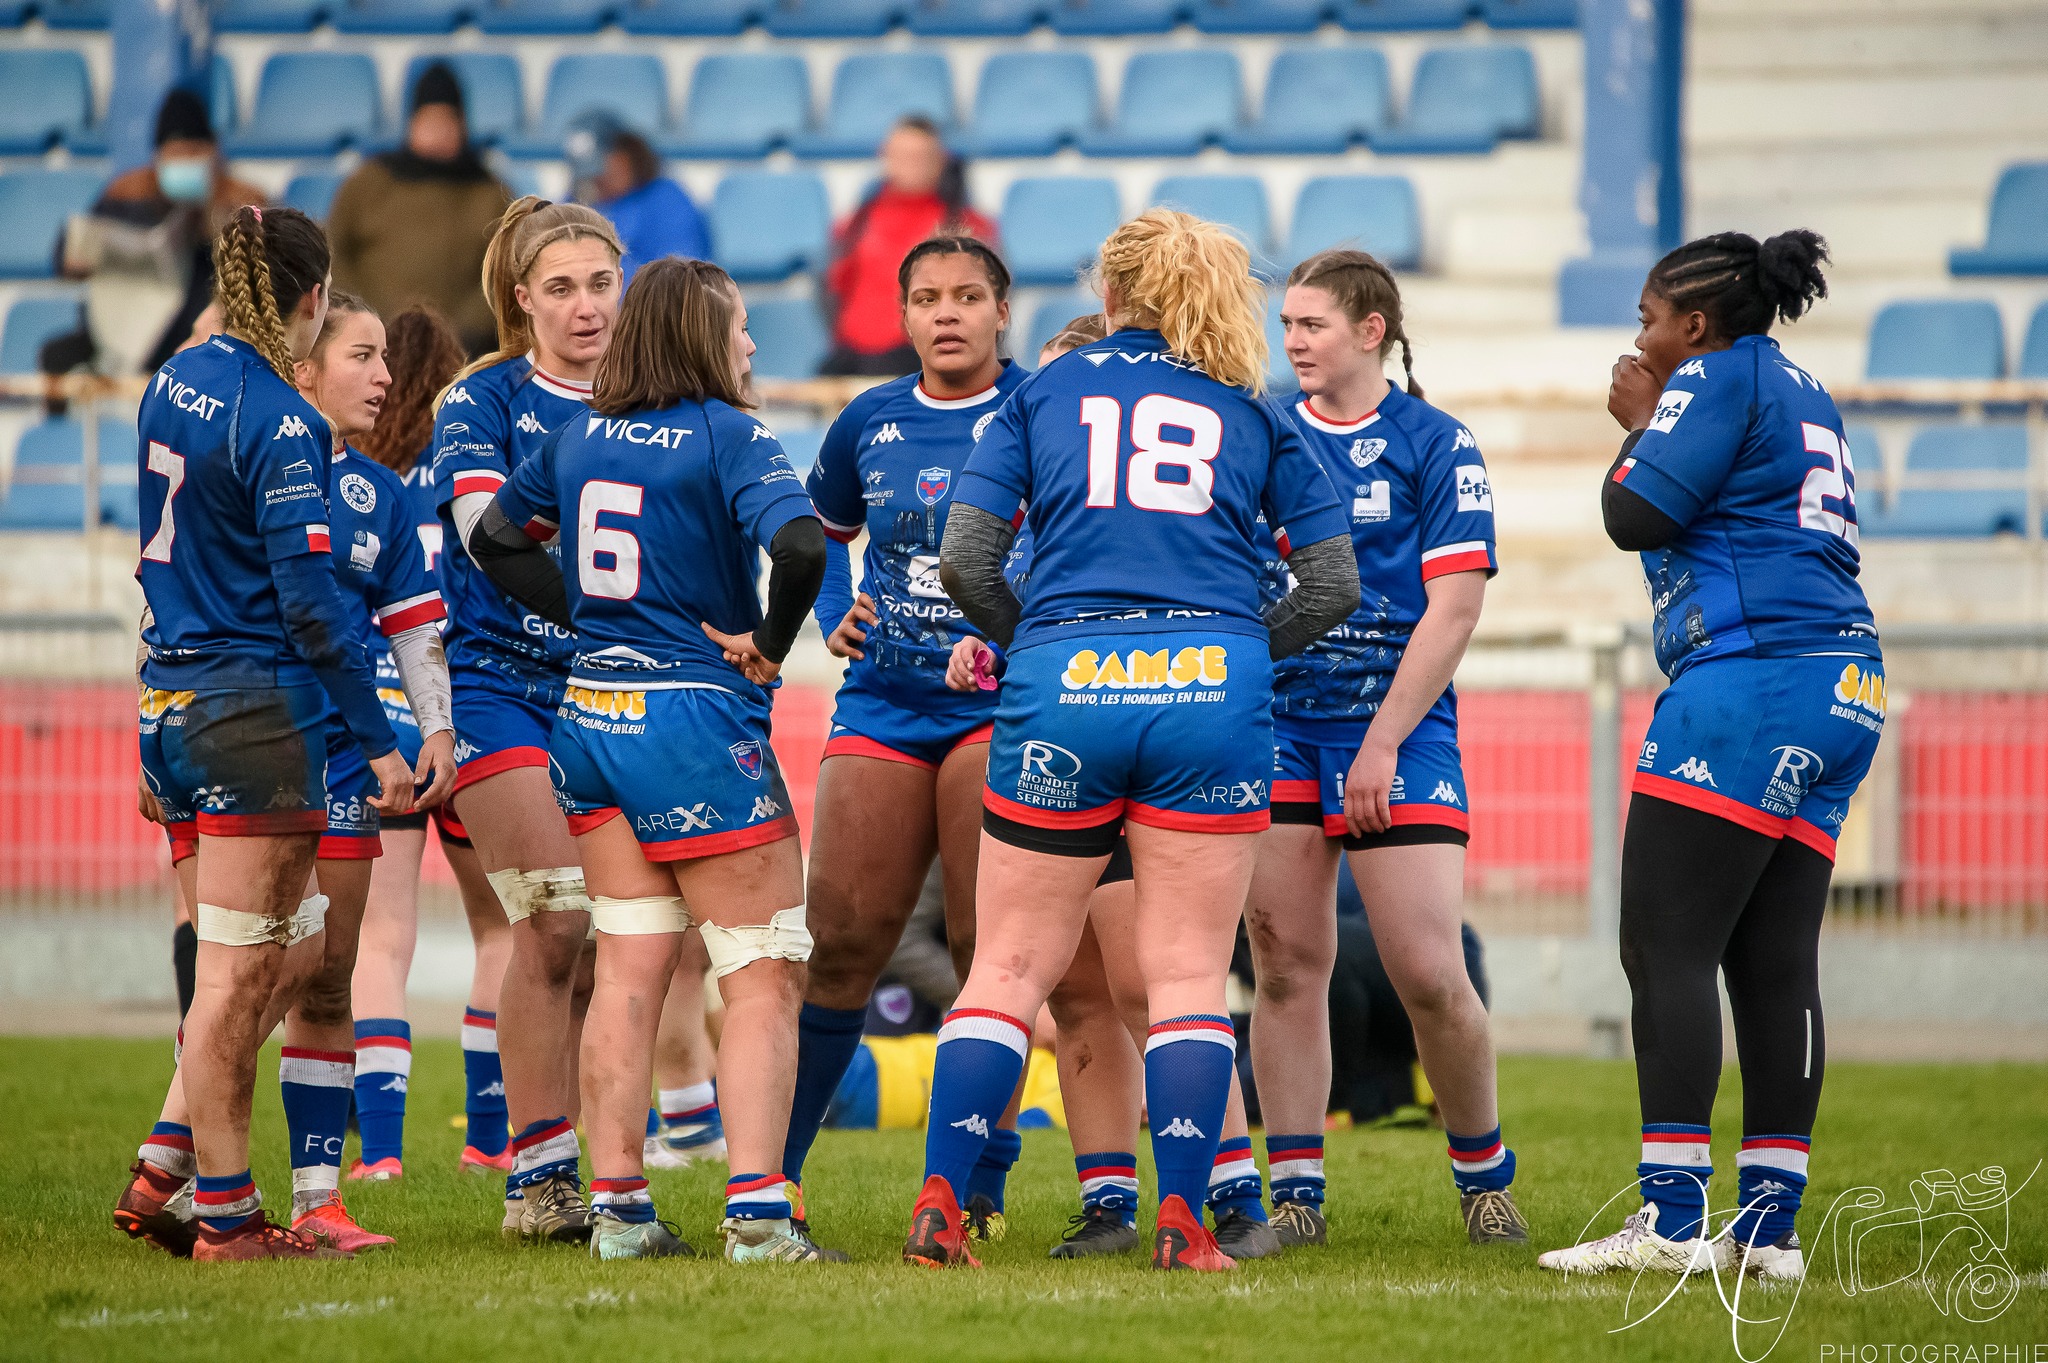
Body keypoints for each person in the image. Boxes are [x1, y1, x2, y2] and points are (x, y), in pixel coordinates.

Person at [903, 209, 1360, 1271]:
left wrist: (1041, 647)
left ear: (1109, 292)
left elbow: (966, 560)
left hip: (1064, 678)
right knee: (1190, 973)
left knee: (1007, 964)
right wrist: (1241, 645)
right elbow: (1332, 582)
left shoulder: (1041, 390)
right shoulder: (1248, 404)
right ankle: (1185, 1222)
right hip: (1209, 685)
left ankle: (939, 1205)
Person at [468, 257, 829, 1262]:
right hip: (689, 721)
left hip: (590, 718)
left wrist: (584, 618)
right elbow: (802, 547)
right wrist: (767, 638)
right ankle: (758, 1216)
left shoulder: (576, 434)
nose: (751, 345)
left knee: (627, 969)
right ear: (702, 336)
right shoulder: (727, 431)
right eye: (740, 327)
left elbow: (496, 539)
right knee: (759, 974)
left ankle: (621, 1211)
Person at [1539, 231, 1880, 1283]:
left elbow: (1632, 511)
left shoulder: (1713, 373)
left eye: (1648, 317)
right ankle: (1769, 1229)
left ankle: (1669, 1218)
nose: (1639, 337)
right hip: (1845, 681)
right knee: (1775, 966)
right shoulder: (1797, 382)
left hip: (1749, 680)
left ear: (1692, 322)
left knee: (1665, 947)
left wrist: (1639, 426)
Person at [945, 312, 1278, 1264]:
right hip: (1169, 715)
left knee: (1139, 979)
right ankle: (1112, 1200)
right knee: (1097, 988)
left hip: (1084, 726)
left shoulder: (1104, 488)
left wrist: (1030, 651)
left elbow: (978, 569)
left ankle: (1232, 1189)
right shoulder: (1127, 481)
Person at [118, 205, 412, 1262]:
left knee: (278, 952)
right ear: (313, 297)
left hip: (172, 697)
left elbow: (157, 562)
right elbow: (312, 606)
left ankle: (165, 1168)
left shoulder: (172, 381)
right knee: (253, 969)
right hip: (253, 710)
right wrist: (380, 740)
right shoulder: (280, 420)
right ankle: (228, 1216)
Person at [1243, 249, 1524, 1250]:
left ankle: (1482, 1176)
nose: (1292, 343)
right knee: (1283, 964)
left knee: (1426, 972)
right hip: (1275, 725)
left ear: (1371, 330)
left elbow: (1451, 611)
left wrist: (1379, 744)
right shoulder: (1262, 432)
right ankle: (1295, 1196)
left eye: (1309, 324)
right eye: (1284, 327)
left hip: (1396, 730)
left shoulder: (1434, 442)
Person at [781, 234, 1027, 1254]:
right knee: (836, 943)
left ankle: (970, 1184)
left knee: (985, 954)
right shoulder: (869, 418)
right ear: (901, 311)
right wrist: (832, 611)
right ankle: (772, 1183)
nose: (947, 313)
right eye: (926, 296)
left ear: (1000, 310)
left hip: (994, 712)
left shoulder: (1036, 412)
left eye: (968, 295)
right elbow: (818, 522)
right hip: (882, 704)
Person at [430, 197, 622, 1245]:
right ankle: (536, 1179)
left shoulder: (656, 398)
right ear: (521, 299)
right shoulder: (483, 401)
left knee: (611, 946)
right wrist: (625, 610)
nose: (584, 305)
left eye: (599, 283)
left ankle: (603, 1172)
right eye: (560, 287)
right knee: (548, 923)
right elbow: (482, 534)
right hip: (501, 686)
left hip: (618, 694)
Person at [342, 303, 520, 1179]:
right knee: (502, 933)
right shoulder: (469, 469)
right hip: (469, 715)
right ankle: (492, 1139)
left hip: (379, 718)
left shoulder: (356, 482)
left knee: (382, 939)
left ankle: (381, 1153)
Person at [43, 87, 265, 387]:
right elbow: (67, 258)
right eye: (176, 154)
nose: (185, 161)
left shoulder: (238, 201)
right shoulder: (128, 196)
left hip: (197, 337)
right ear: (158, 157)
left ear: (213, 156)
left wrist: (212, 214)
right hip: (124, 333)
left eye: (194, 153)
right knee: (57, 356)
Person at [329, 62, 513, 355]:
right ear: (411, 124)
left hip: (462, 352)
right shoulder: (369, 181)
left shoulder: (489, 191)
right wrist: (363, 318)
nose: (438, 133)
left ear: (463, 126)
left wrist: (460, 334)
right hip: (370, 343)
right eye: (429, 122)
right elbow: (332, 252)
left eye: (447, 122)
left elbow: (504, 271)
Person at [821, 117, 997, 377]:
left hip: (918, 353)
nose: (910, 165)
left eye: (920, 156)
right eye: (902, 155)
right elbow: (831, 289)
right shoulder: (854, 224)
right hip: (851, 353)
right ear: (885, 157)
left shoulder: (967, 226)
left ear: (939, 162)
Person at [569, 116, 710, 285]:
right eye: (586, 174)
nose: (595, 179)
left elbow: (679, 281)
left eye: (601, 167)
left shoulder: (667, 201)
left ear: (626, 154)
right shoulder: (575, 202)